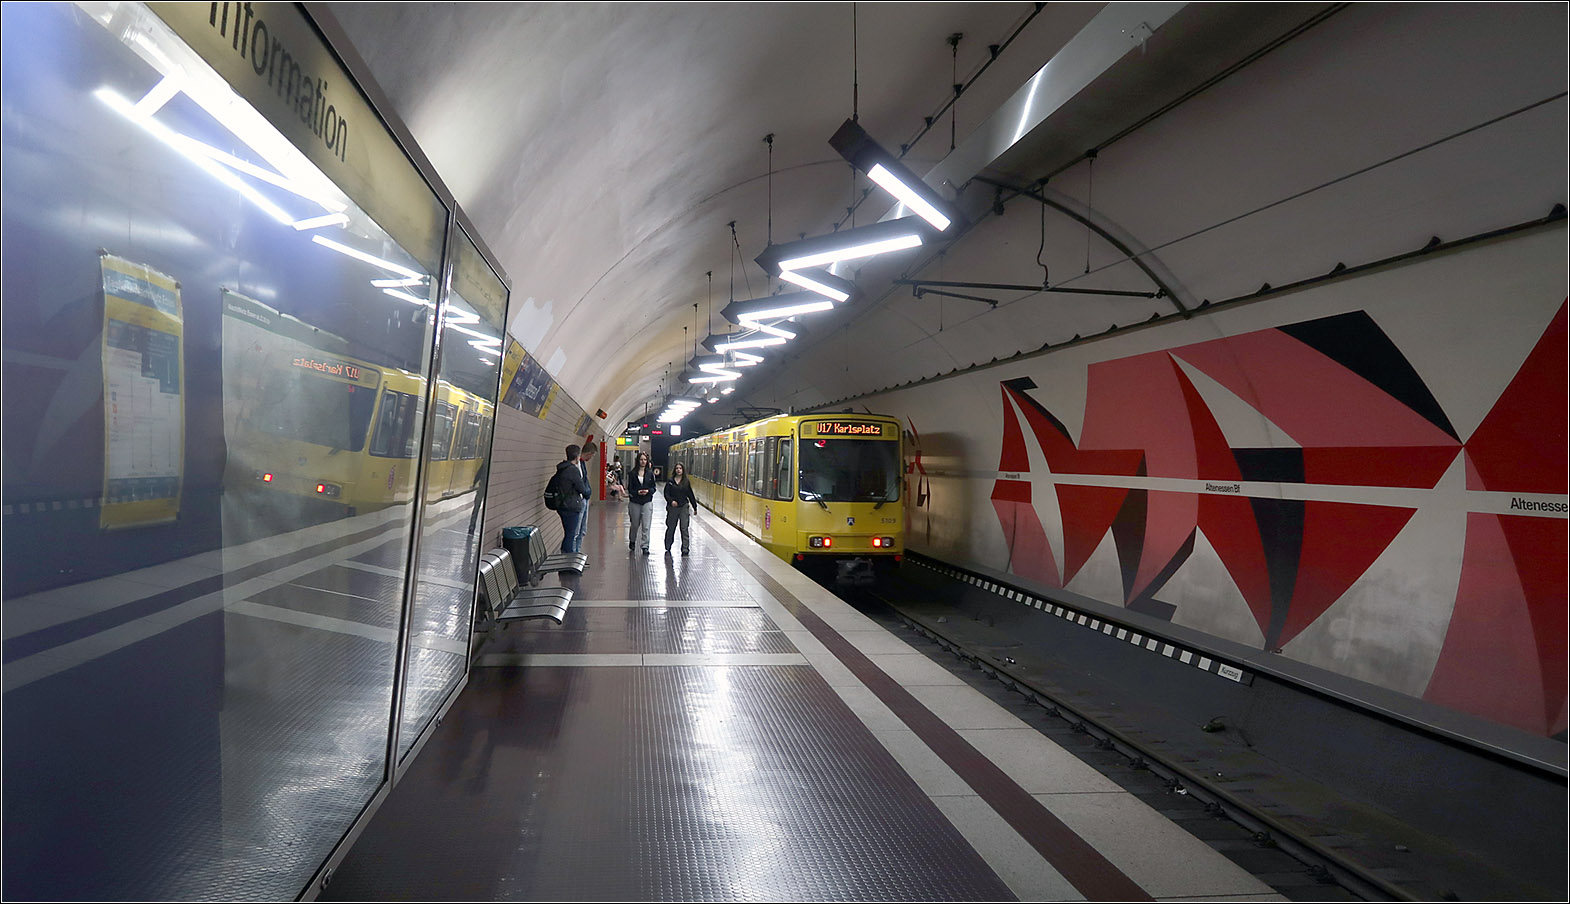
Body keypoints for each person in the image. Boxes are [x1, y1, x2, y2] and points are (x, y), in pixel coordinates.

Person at [553, 444, 590, 554]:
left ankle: (568, 558)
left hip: (562, 505)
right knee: (571, 534)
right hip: (571, 506)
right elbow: (581, 488)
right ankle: (568, 560)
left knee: (569, 533)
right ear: (577, 456)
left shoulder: (562, 468)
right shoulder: (573, 470)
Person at [662, 460, 697, 556]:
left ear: (683, 470)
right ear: (675, 470)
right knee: (671, 527)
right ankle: (668, 545)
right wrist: (671, 501)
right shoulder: (670, 481)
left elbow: (690, 494)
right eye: (677, 468)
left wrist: (695, 507)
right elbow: (666, 493)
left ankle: (685, 548)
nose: (678, 470)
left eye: (680, 468)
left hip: (683, 506)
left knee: (684, 528)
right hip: (672, 508)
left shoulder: (686, 482)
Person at [624, 451, 657, 553]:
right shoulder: (632, 474)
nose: (643, 461)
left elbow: (653, 488)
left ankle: (645, 546)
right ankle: (632, 540)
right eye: (641, 459)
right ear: (638, 461)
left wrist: (648, 491)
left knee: (646, 525)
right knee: (634, 524)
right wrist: (637, 492)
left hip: (647, 501)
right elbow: (630, 488)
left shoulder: (650, 474)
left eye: (645, 460)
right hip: (635, 502)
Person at [574, 442, 597, 553]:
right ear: (589, 453)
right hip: (580, 500)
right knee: (576, 530)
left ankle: (578, 553)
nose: (591, 458)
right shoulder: (577, 465)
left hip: (585, 499)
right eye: (591, 456)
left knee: (582, 530)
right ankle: (574, 556)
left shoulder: (582, 464)